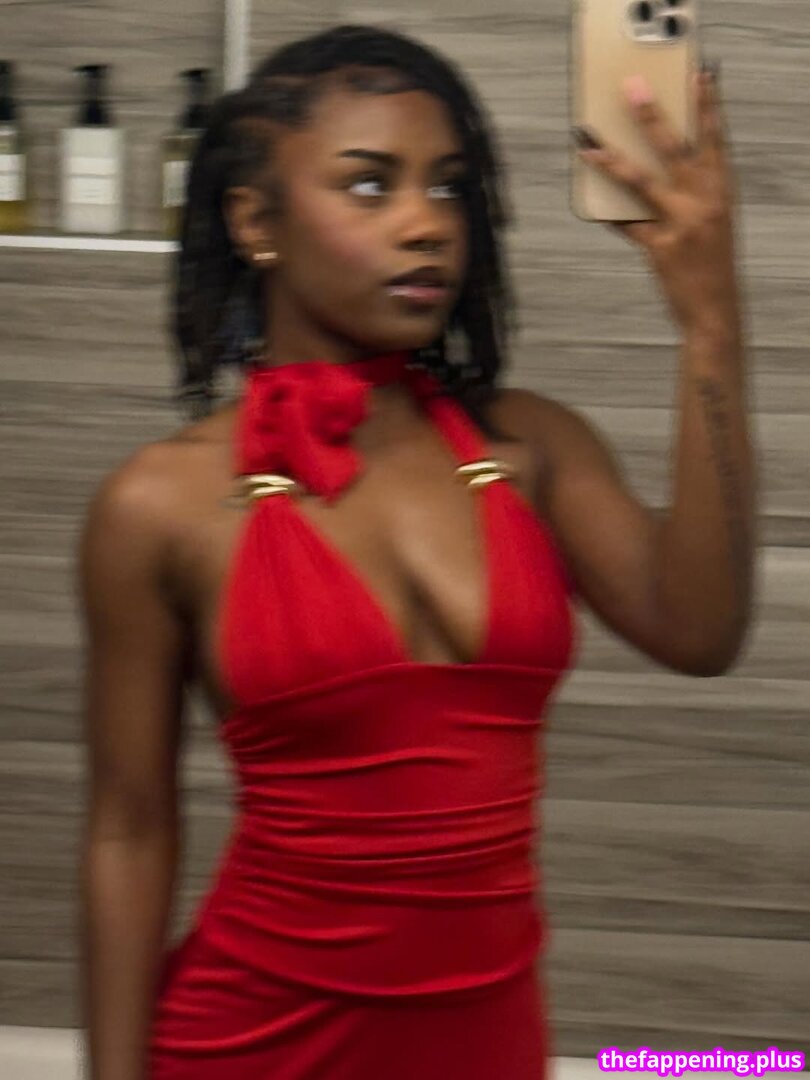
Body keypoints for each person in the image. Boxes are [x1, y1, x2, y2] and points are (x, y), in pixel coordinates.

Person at [77, 23, 755, 1080]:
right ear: (255, 220)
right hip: (252, 1044)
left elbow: (702, 630)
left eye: (447, 187)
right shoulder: (159, 504)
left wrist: (710, 322)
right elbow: (128, 831)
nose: (426, 223)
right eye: (369, 184)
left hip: (487, 1045)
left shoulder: (528, 449)